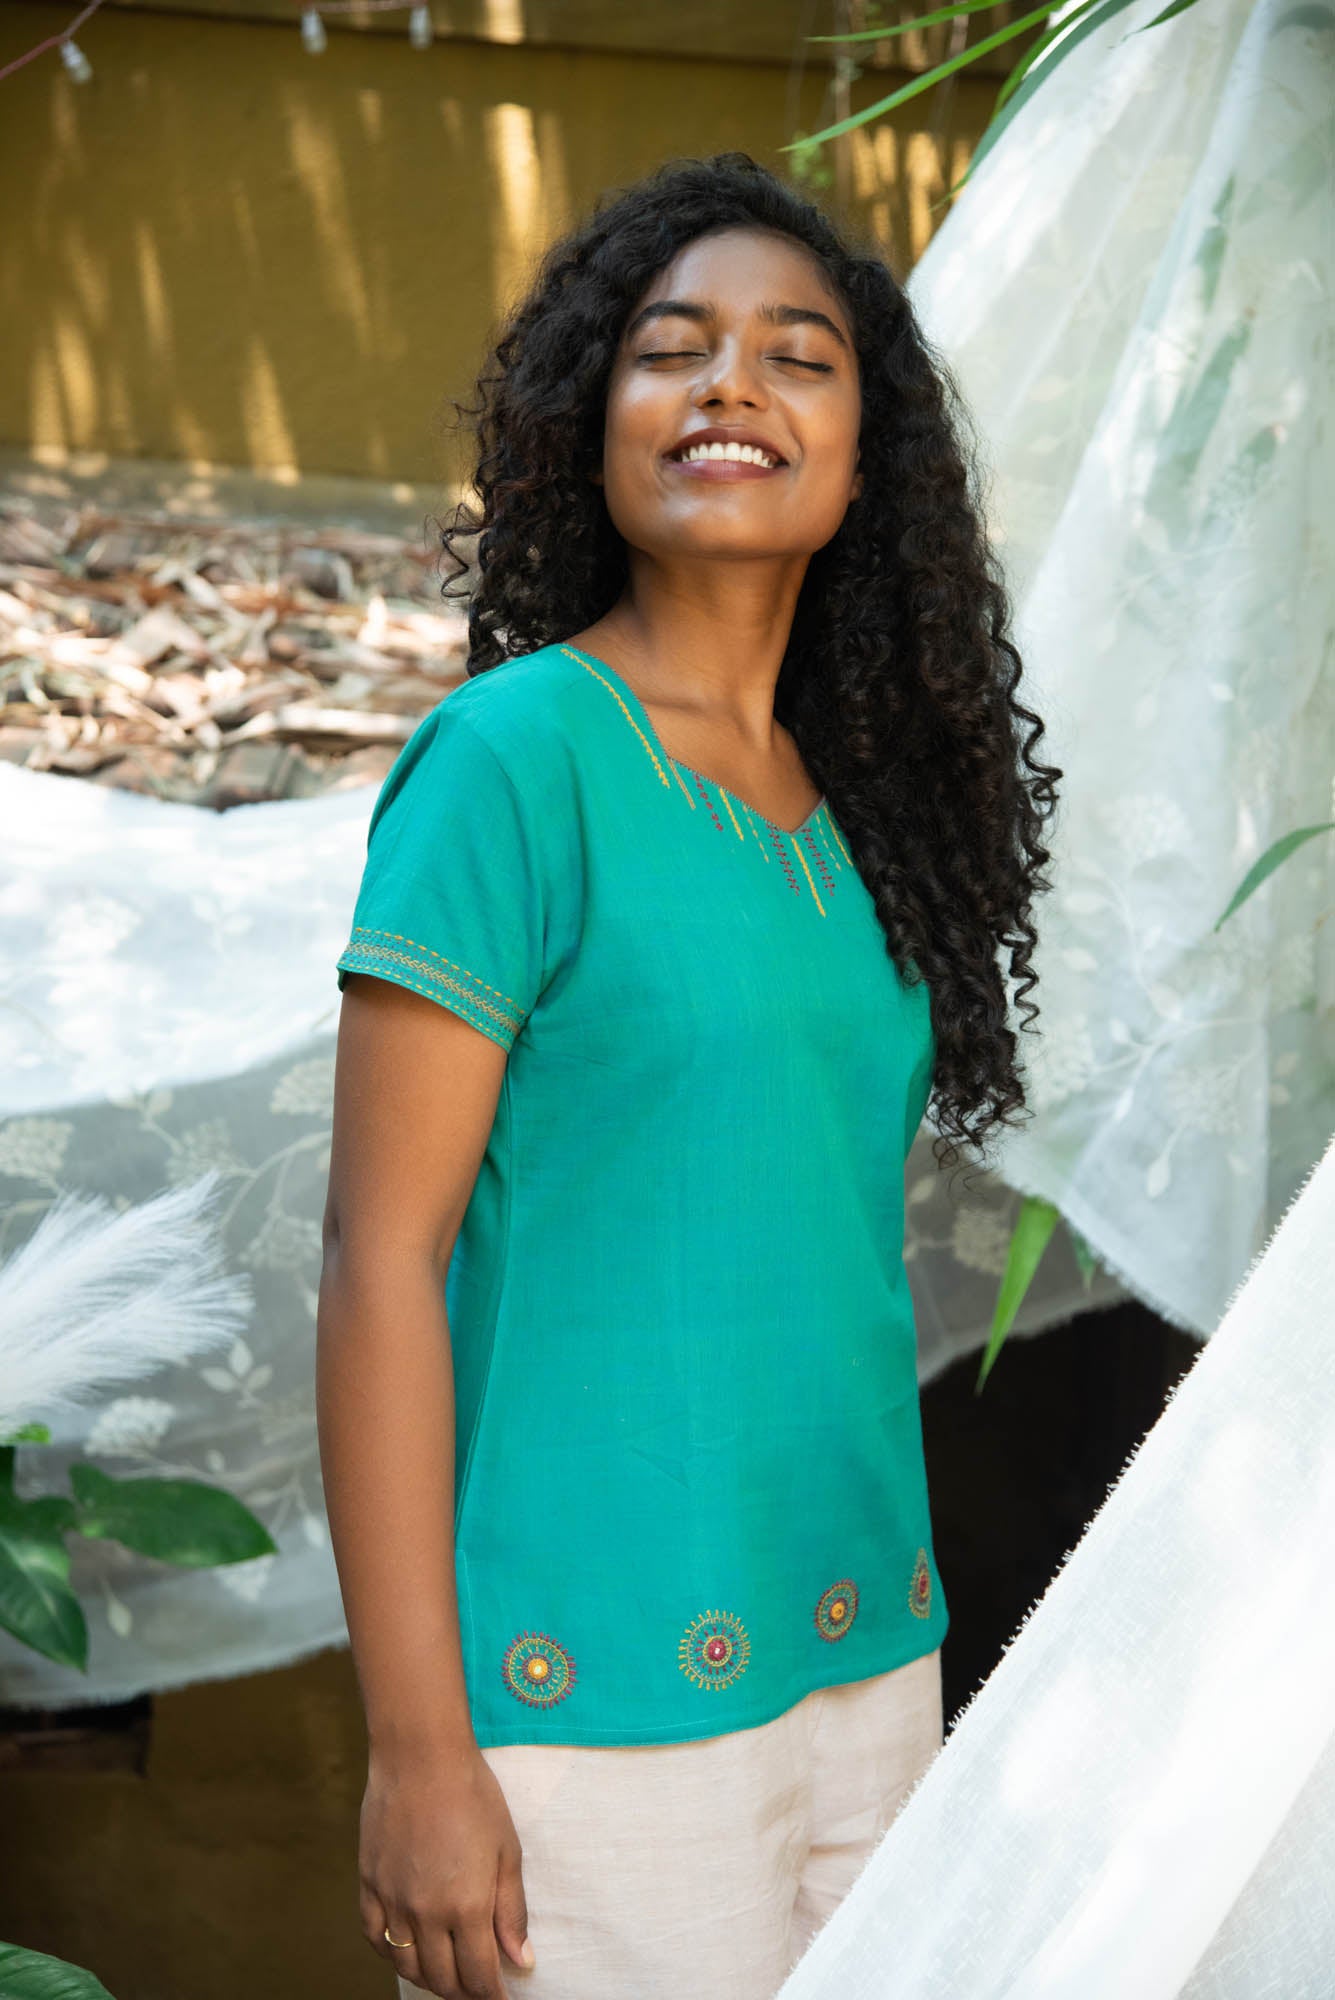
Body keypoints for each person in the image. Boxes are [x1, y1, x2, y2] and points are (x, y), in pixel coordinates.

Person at [317, 151, 1060, 2000]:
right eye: (674, 348)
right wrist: (422, 1752)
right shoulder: (514, 762)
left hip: (871, 1657)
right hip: (588, 1709)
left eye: (799, 356)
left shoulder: (864, 811)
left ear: (868, 461)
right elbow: (378, 1260)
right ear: (596, 421)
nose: (733, 383)